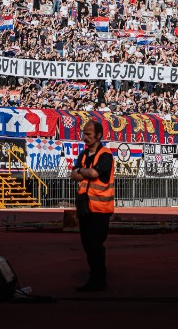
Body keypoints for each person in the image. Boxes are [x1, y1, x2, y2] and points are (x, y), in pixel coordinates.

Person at [70, 120, 114, 292]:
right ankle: (95, 278)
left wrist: (81, 172)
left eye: (88, 134)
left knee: (95, 245)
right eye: (84, 133)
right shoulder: (83, 155)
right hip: (84, 207)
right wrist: (82, 172)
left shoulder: (105, 155)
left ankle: (99, 279)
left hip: (100, 209)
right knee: (88, 246)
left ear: (98, 135)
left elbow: (94, 173)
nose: (85, 137)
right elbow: (73, 175)